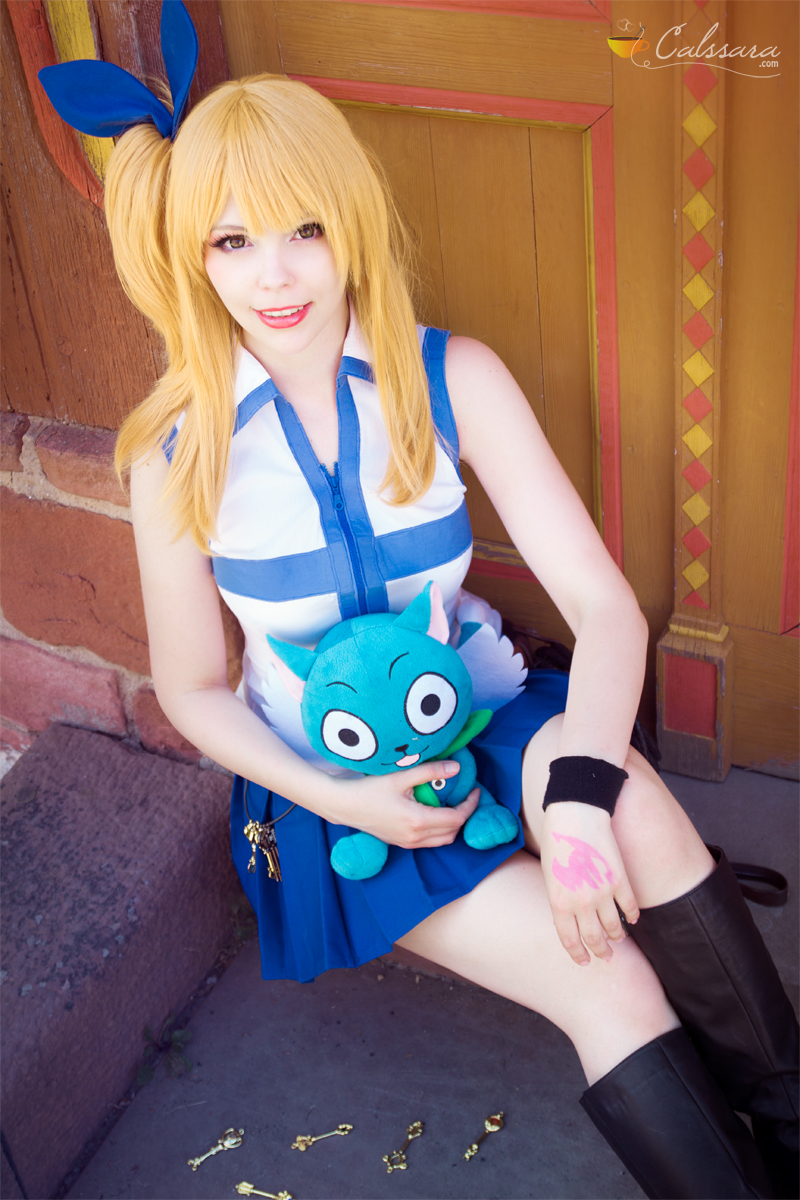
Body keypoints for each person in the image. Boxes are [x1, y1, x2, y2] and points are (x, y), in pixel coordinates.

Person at [39, 14, 797, 1198]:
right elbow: (190, 689)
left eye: (304, 228)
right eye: (233, 240)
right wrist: (345, 798)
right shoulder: (175, 449)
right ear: (192, 255)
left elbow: (604, 611)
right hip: (329, 789)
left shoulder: (452, 379)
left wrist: (576, 806)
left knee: (635, 810)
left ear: (350, 223)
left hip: (484, 711)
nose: (275, 274)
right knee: (605, 979)